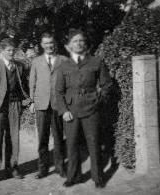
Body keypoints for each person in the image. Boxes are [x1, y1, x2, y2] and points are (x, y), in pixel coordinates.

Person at [55, 29, 112, 188]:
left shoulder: (96, 61)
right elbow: (59, 91)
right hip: (71, 112)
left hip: (91, 110)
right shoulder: (63, 66)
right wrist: (64, 110)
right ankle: (73, 177)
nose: (78, 44)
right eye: (75, 41)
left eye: (81, 41)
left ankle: (98, 178)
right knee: (71, 145)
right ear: (68, 46)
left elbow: (107, 85)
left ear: (85, 43)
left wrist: (98, 101)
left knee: (93, 144)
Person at [0, 38, 32, 185]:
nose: (11, 53)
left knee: (13, 138)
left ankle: (12, 167)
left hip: (15, 105)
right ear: (2, 51)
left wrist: (27, 100)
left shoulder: (18, 67)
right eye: (8, 50)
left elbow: (24, 84)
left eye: (13, 50)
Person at [29, 32, 67, 179]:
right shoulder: (36, 61)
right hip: (41, 105)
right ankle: (43, 169)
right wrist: (32, 101)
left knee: (58, 138)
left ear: (54, 43)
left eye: (51, 42)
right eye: (45, 43)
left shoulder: (63, 60)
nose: (49, 45)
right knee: (42, 139)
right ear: (41, 45)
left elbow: (68, 82)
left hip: (58, 104)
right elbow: (32, 82)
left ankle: (60, 167)